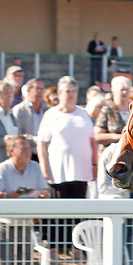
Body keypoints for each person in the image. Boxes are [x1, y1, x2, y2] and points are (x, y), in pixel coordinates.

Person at [0, 135, 50, 265]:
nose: (28, 152)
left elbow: (45, 191)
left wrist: (43, 195)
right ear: (11, 151)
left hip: (26, 225)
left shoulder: (35, 167)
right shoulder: (2, 168)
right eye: (23, 148)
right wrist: (9, 195)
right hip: (4, 225)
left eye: (29, 148)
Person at [38, 76, 97, 252]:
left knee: (78, 211)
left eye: (73, 91)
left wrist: (94, 165)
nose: (70, 95)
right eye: (67, 91)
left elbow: (92, 141)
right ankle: (56, 248)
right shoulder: (51, 114)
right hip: (58, 171)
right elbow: (42, 143)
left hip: (81, 171)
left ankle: (76, 248)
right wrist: (44, 168)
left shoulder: (83, 113)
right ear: (59, 93)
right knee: (57, 211)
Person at [12, 78, 47, 159]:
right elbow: (17, 134)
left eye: (42, 89)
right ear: (28, 90)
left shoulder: (47, 110)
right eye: (37, 88)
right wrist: (36, 140)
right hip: (27, 154)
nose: (40, 91)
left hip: (45, 153)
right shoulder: (19, 110)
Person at [94, 76, 132, 149]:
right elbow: (97, 135)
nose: (125, 92)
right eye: (122, 90)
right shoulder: (107, 110)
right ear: (114, 91)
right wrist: (119, 137)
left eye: (127, 89)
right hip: (111, 153)